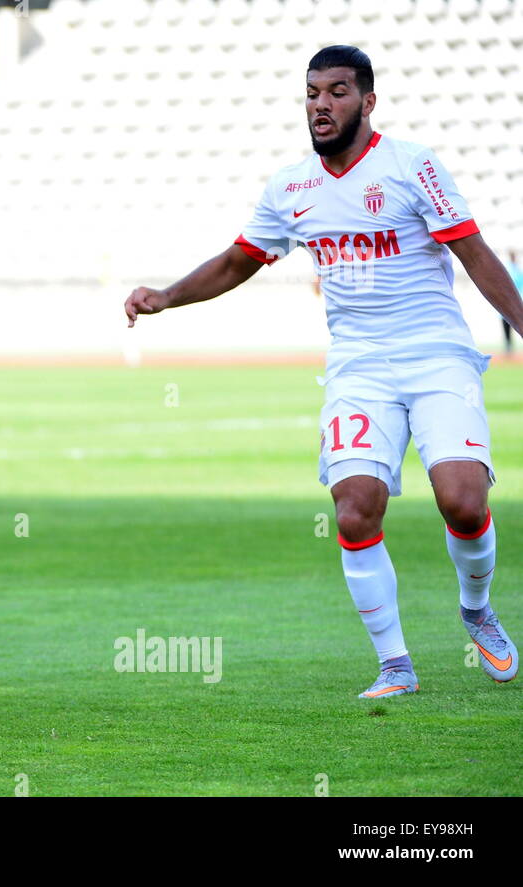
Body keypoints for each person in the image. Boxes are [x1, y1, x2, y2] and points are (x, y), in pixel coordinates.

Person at [124, 46, 521, 698]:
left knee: (462, 497)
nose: (321, 104)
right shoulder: (291, 188)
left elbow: (474, 254)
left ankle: (476, 608)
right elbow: (238, 261)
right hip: (358, 364)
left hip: (436, 352)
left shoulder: (412, 166)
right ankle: (395, 663)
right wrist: (167, 296)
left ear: (367, 102)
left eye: (337, 92)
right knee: (354, 508)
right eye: (312, 93)